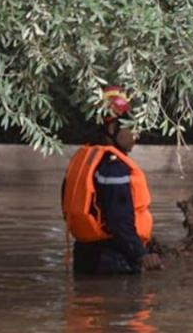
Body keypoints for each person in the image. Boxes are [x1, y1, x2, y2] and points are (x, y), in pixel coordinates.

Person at [61, 86, 163, 275]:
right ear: (112, 127)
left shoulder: (85, 157)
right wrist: (141, 254)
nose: (137, 134)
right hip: (113, 259)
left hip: (84, 256)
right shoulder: (113, 166)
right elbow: (119, 222)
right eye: (132, 127)